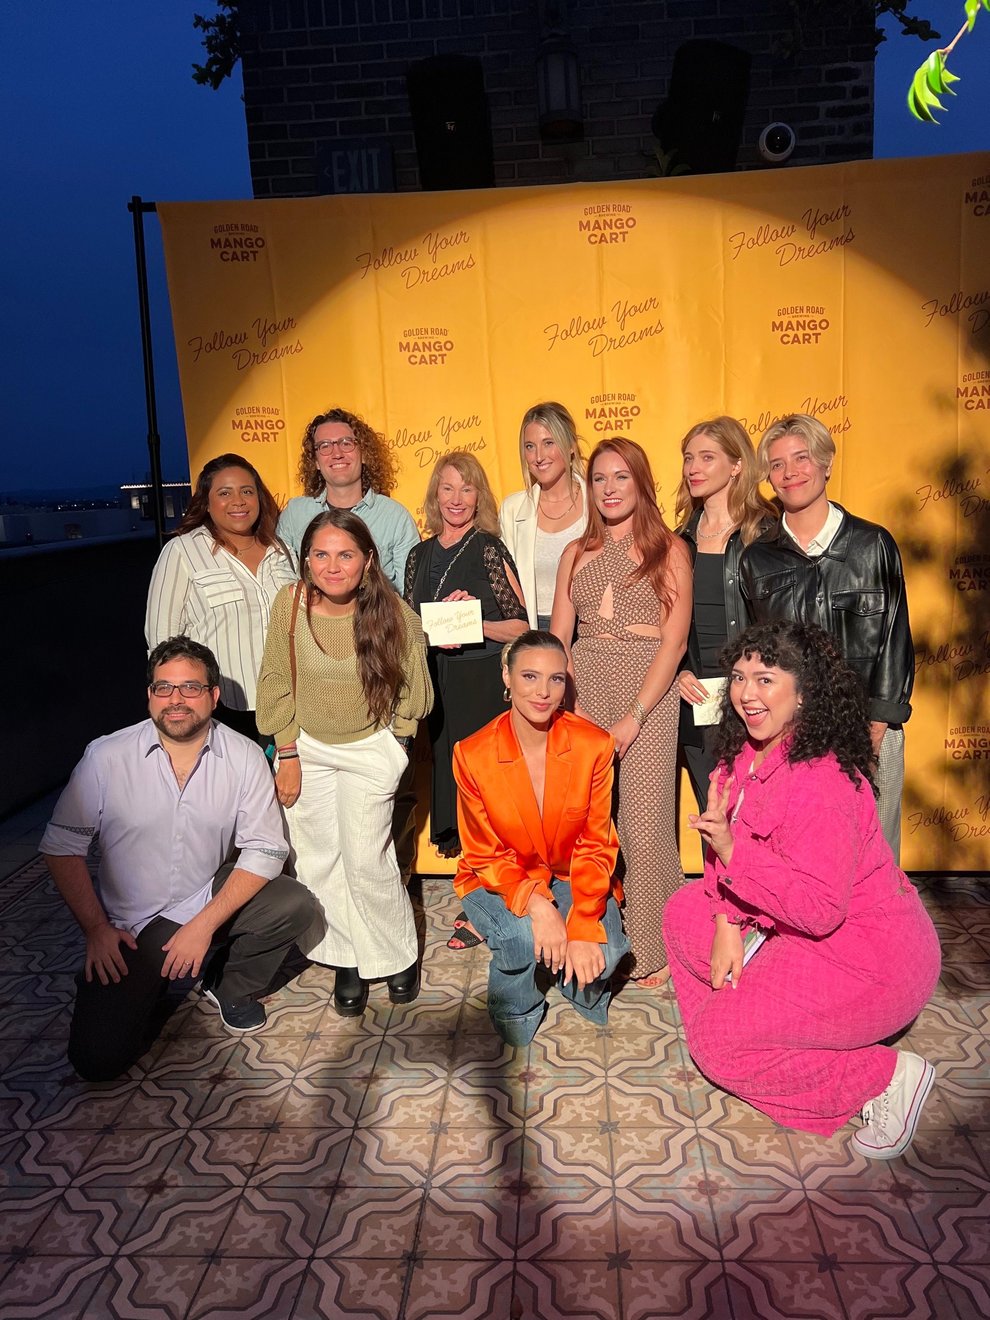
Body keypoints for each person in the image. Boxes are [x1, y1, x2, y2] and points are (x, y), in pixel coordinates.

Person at [663, 620, 941, 1159]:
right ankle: (747, 1023)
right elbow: (716, 850)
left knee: (716, 1047)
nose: (746, 693)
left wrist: (733, 852)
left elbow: (817, 911)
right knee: (683, 912)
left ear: (804, 691)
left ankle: (884, 1077)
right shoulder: (743, 754)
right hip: (794, 932)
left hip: (870, 961)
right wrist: (725, 922)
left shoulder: (823, 782)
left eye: (766, 679)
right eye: (740, 677)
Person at [40, 636, 317, 1082]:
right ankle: (139, 987)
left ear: (213, 695)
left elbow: (265, 848)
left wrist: (202, 926)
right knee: (97, 1061)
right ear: (149, 695)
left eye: (190, 688)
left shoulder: (243, 756)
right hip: (133, 928)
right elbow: (62, 846)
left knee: (294, 903)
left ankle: (228, 986)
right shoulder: (107, 756)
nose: (176, 700)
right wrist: (95, 930)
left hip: (204, 894)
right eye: (163, 688)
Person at [256, 508, 433, 1016]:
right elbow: (276, 680)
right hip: (307, 749)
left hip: (369, 748)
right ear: (306, 559)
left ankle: (396, 951)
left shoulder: (393, 612)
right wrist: (286, 752)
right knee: (318, 859)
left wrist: (398, 744)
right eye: (321, 554)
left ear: (368, 560)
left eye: (346, 554)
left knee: (366, 859)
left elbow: (413, 687)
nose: (333, 566)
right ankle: (346, 959)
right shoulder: (289, 605)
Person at [739, 413, 914, 860]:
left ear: (826, 463)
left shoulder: (872, 544)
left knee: (873, 857)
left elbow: (895, 636)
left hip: (868, 727)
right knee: (800, 859)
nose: (790, 472)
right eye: (777, 465)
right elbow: (752, 656)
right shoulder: (757, 558)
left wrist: (877, 724)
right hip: (789, 735)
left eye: (801, 458)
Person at [551, 438, 692, 986]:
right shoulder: (574, 553)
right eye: (601, 479)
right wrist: (570, 699)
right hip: (586, 692)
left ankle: (659, 945)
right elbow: (561, 635)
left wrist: (634, 716)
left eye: (621, 478)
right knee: (591, 826)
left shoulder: (669, 550)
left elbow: (674, 643)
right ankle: (600, 931)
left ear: (641, 483)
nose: (610, 489)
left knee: (645, 824)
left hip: (648, 698)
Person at [452, 631, 630, 1045]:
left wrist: (582, 924)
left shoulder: (594, 746)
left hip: (572, 871)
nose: (543, 692)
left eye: (556, 679)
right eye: (530, 676)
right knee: (521, 938)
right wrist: (539, 907)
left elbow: (596, 841)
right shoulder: (472, 753)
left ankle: (575, 985)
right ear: (507, 677)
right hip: (497, 876)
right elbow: (483, 853)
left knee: (605, 950)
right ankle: (516, 1006)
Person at [404, 450, 528, 868]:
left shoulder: (489, 549)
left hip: (483, 685)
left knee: (488, 787)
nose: (456, 498)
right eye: (448, 488)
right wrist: (434, 628)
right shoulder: (418, 556)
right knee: (453, 781)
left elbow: (521, 628)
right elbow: (408, 629)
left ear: (479, 497)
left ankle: (496, 886)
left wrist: (472, 622)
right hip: (437, 685)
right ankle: (470, 886)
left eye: (467, 488)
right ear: (435, 495)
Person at [145, 454, 297, 742]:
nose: (238, 501)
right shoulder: (182, 552)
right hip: (223, 712)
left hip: (291, 707)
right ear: (207, 502)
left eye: (247, 491)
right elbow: (161, 643)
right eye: (224, 493)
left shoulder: (283, 551)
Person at [674, 417, 777, 809]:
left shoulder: (766, 533)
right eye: (688, 458)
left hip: (756, 697)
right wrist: (679, 669)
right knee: (712, 814)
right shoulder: (679, 539)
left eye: (706, 457)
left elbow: (780, 625)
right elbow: (668, 621)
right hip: (698, 697)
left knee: (757, 816)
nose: (693, 468)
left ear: (737, 465)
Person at [276, 406, 420, 589]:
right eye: (325, 446)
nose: (337, 454)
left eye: (346, 443)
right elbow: (282, 584)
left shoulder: (395, 517)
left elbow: (410, 592)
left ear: (364, 454)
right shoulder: (294, 514)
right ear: (315, 461)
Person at [499, 401, 587, 629]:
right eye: (530, 446)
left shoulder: (597, 503)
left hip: (589, 630)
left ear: (570, 446)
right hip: (535, 632)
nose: (538, 456)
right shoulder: (512, 509)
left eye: (548, 443)